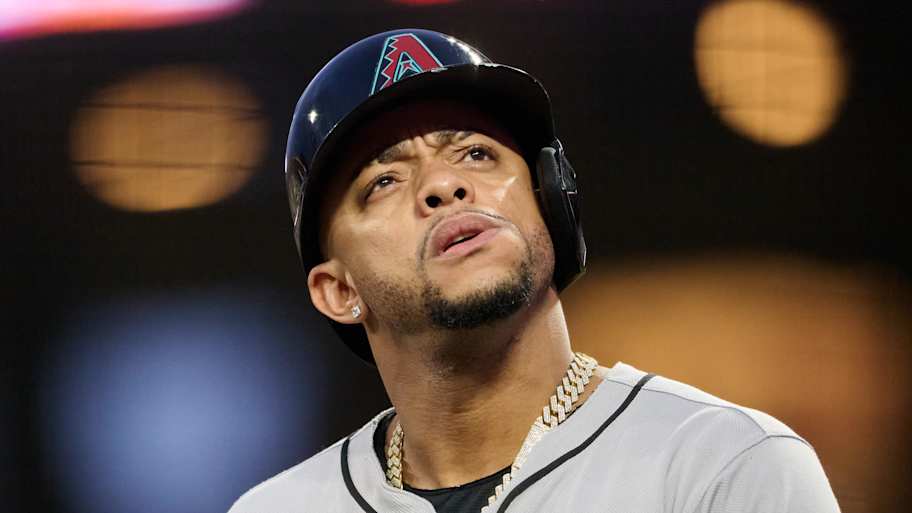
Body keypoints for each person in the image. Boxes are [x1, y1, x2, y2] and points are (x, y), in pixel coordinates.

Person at [228, 29, 841, 513]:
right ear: (338, 290)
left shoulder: (723, 466)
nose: (443, 184)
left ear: (550, 203)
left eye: (476, 153)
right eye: (384, 181)